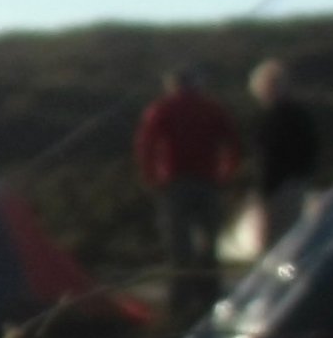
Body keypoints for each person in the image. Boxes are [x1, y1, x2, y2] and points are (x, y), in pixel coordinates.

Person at [133, 66, 241, 321]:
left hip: (174, 184)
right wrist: (226, 174)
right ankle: (209, 298)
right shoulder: (213, 108)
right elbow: (233, 143)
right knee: (209, 244)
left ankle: (180, 303)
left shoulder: (162, 109)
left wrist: (151, 177)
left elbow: (146, 145)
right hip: (208, 182)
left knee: (178, 247)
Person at [249, 59, 322, 248]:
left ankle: (284, 275)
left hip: (285, 186)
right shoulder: (275, 116)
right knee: (277, 240)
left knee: (284, 241)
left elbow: (305, 149)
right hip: (276, 185)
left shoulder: (287, 117)